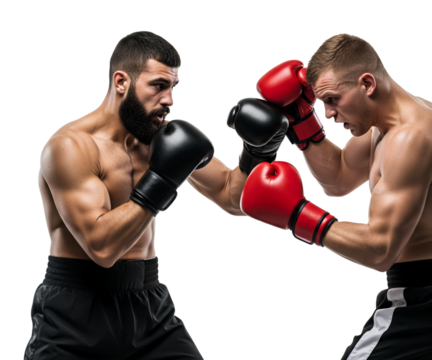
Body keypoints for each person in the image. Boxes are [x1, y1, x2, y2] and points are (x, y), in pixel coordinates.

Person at [26, 30, 287, 359]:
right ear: (121, 81)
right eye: (158, 86)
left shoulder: (161, 137)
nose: (170, 100)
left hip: (149, 304)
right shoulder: (70, 147)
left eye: (173, 87)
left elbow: (232, 197)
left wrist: (256, 152)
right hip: (75, 311)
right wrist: (162, 179)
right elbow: (102, 247)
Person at [240, 33, 432, 359]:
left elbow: (380, 250)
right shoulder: (384, 123)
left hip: (426, 300)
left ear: (367, 84)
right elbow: (339, 178)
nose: (328, 113)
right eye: (321, 103)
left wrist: (297, 215)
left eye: (332, 99)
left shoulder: (410, 138)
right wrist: (302, 122)